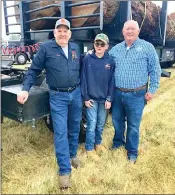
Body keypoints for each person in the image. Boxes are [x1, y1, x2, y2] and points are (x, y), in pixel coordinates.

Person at [17, 18, 82, 189]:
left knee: (75, 126)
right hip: (58, 96)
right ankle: (64, 170)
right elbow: (33, 70)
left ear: (70, 33)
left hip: (75, 94)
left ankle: (73, 154)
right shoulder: (46, 48)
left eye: (65, 30)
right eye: (59, 30)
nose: (62, 33)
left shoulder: (75, 47)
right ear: (54, 33)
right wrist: (25, 89)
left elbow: (81, 69)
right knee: (60, 132)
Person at [109, 20, 161, 163]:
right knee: (117, 120)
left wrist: (152, 90)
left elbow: (155, 70)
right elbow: (105, 60)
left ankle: (132, 151)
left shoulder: (147, 47)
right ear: (123, 32)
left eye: (133, 29)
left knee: (133, 124)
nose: (130, 31)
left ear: (138, 31)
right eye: (127, 29)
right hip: (118, 93)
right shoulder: (116, 49)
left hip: (137, 94)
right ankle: (118, 142)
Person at [81, 33, 115, 159]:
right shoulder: (87, 59)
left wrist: (110, 98)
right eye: (97, 43)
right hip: (91, 99)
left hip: (104, 100)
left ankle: (98, 144)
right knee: (91, 123)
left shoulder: (110, 61)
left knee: (100, 124)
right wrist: (85, 97)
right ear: (94, 45)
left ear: (107, 46)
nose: (99, 46)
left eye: (102, 44)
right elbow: (83, 78)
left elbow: (112, 81)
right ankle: (89, 148)